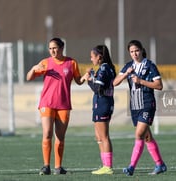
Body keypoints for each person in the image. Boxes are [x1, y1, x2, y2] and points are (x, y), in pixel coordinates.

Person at [26, 37, 85, 175]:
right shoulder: (45, 63)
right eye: (50, 48)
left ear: (61, 48)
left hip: (64, 105)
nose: (52, 50)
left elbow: (78, 80)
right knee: (47, 133)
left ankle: (58, 167)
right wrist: (34, 68)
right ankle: (46, 166)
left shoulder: (71, 63)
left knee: (60, 136)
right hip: (47, 103)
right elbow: (29, 77)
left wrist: (85, 77)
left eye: (55, 48)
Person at [113, 40, 166, 176]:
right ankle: (160, 164)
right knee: (147, 137)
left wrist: (141, 81)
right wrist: (126, 74)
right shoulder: (128, 66)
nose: (134, 54)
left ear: (142, 50)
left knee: (138, 134)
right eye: (131, 52)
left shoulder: (150, 65)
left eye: (136, 50)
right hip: (134, 106)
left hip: (147, 104)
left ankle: (131, 167)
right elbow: (114, 83)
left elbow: (159, 85)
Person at [81, 45, 116, 175]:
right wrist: (92, 77)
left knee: (104, 136)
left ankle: (108, 166)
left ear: (99, 57)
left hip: (103, 104)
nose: (91, 59)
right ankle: (104, 165)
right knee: (98, 136)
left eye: (92, 57)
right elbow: (99, 85)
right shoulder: (104, 68)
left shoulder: (104, 68)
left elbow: (98, 89)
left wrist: (89, 80)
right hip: (100, 103)